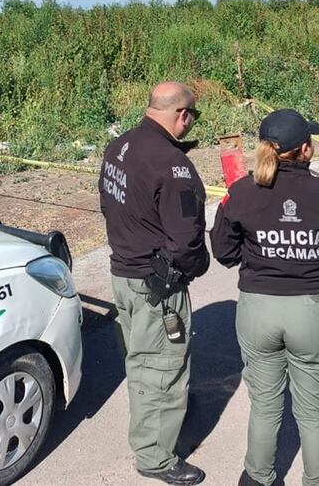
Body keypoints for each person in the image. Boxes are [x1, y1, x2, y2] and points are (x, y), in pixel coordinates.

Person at [210, 108, 319, 486]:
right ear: (306, 150)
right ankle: (318, 480)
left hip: (258, 309)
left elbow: (224, 251)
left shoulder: (241, 192)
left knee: (265, 405)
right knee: (314, 412)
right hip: (313, 311)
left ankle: (257, 476)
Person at [99, 81, 210, 485]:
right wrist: (193, 268)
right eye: (193, 116)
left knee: (143, 358)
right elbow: (187, 240)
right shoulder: (172, 165)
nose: (192, 122)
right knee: (161, 366)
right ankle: (156, 457)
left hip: (124, 273)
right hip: (155, 285)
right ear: (182, 115)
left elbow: (107, 204)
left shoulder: (119, 146)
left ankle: (167, 411)